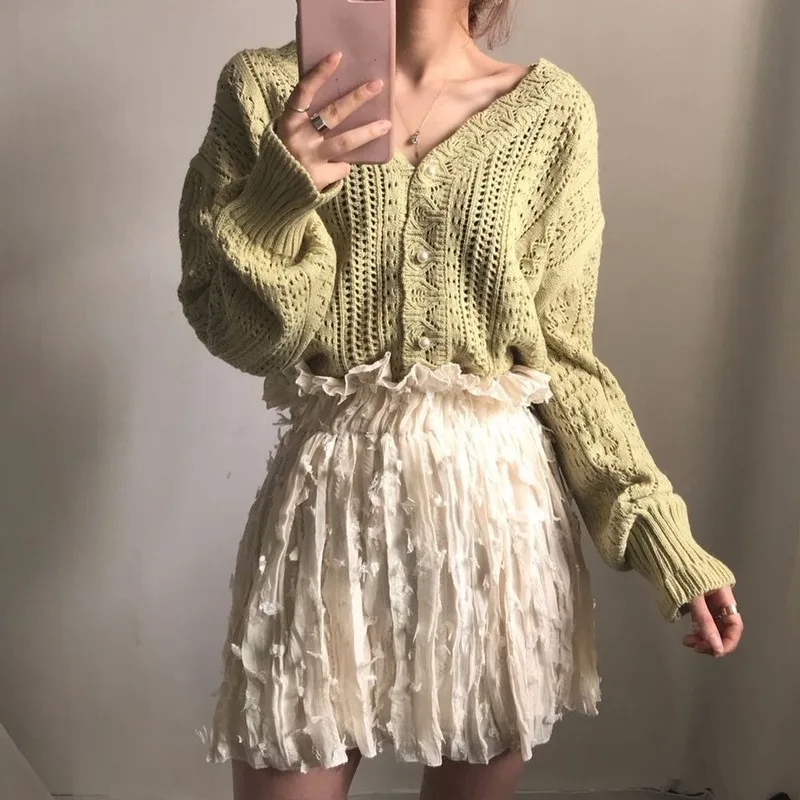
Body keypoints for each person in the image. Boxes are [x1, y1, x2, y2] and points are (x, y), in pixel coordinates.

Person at [177, 1, 744, 798]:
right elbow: (238, 335)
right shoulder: (267, 89)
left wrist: (658, 531)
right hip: (329, 510)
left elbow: (563, 359)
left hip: (495, 523)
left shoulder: (552, 114)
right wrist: (278, 198)